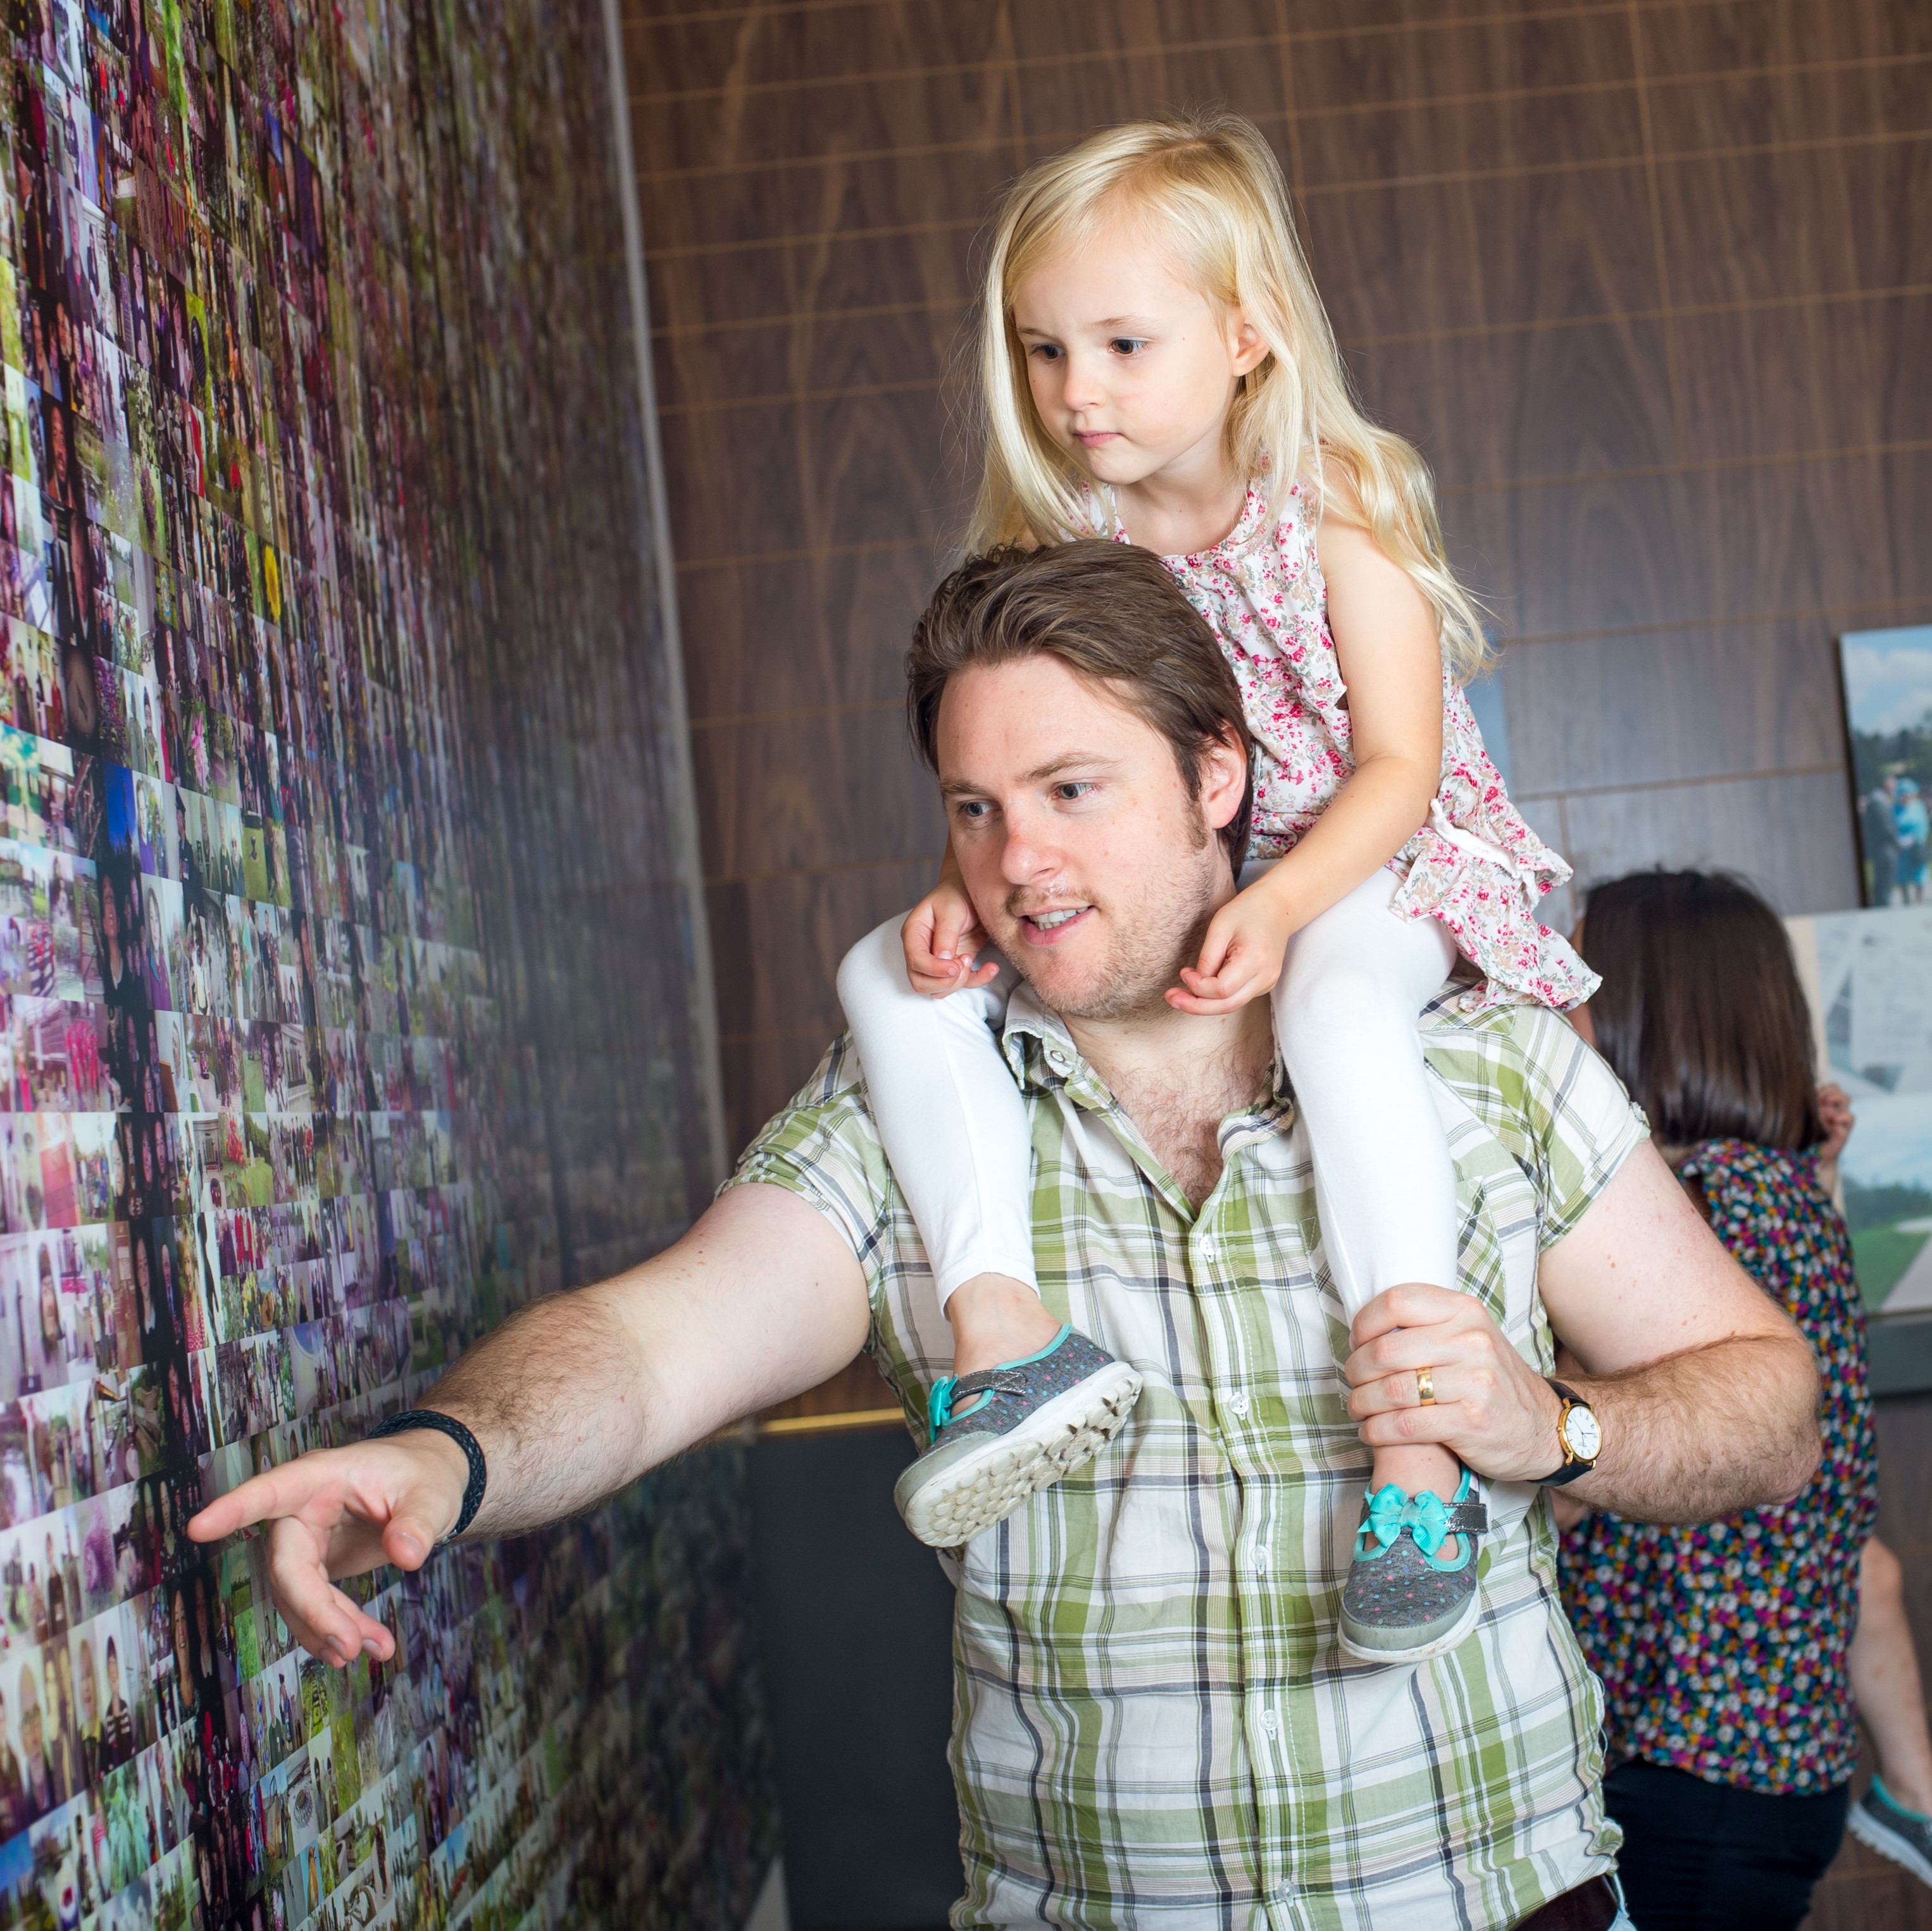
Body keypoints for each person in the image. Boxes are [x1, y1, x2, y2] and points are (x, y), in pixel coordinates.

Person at [189, 543, 1823, 1930]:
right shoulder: (906, 1116)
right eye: (972, 805)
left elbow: (1762, 1399)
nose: (1014, 858)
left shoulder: (1479, 1069)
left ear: (1216, 777)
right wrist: (443, 1455)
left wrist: (1552, 1425)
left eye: (1069, 790)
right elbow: (647, 1343)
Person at [833, 112, 1597, 1667]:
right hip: (1196, 864)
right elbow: (1026, 756)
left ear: (1245, 336)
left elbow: (1399, 763)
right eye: (1044, 349)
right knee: (884, 976)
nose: (1075, 390)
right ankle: (1009, 1340)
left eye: (1121, 342)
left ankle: (1417, 1459)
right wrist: (953, 887)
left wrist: (1286, 900)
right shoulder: (1068, 540)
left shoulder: (1340, 506)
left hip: (1373, 856)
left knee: (1333, 1007)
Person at [1557, 869, 1932, 1925]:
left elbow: (1579, 1469)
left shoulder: (1711, 1205)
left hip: (1693, 1765)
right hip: (1751, 1763)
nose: (1550, 1000)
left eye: (1577, 977)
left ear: (1650, 1013)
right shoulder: (1770, 1189)